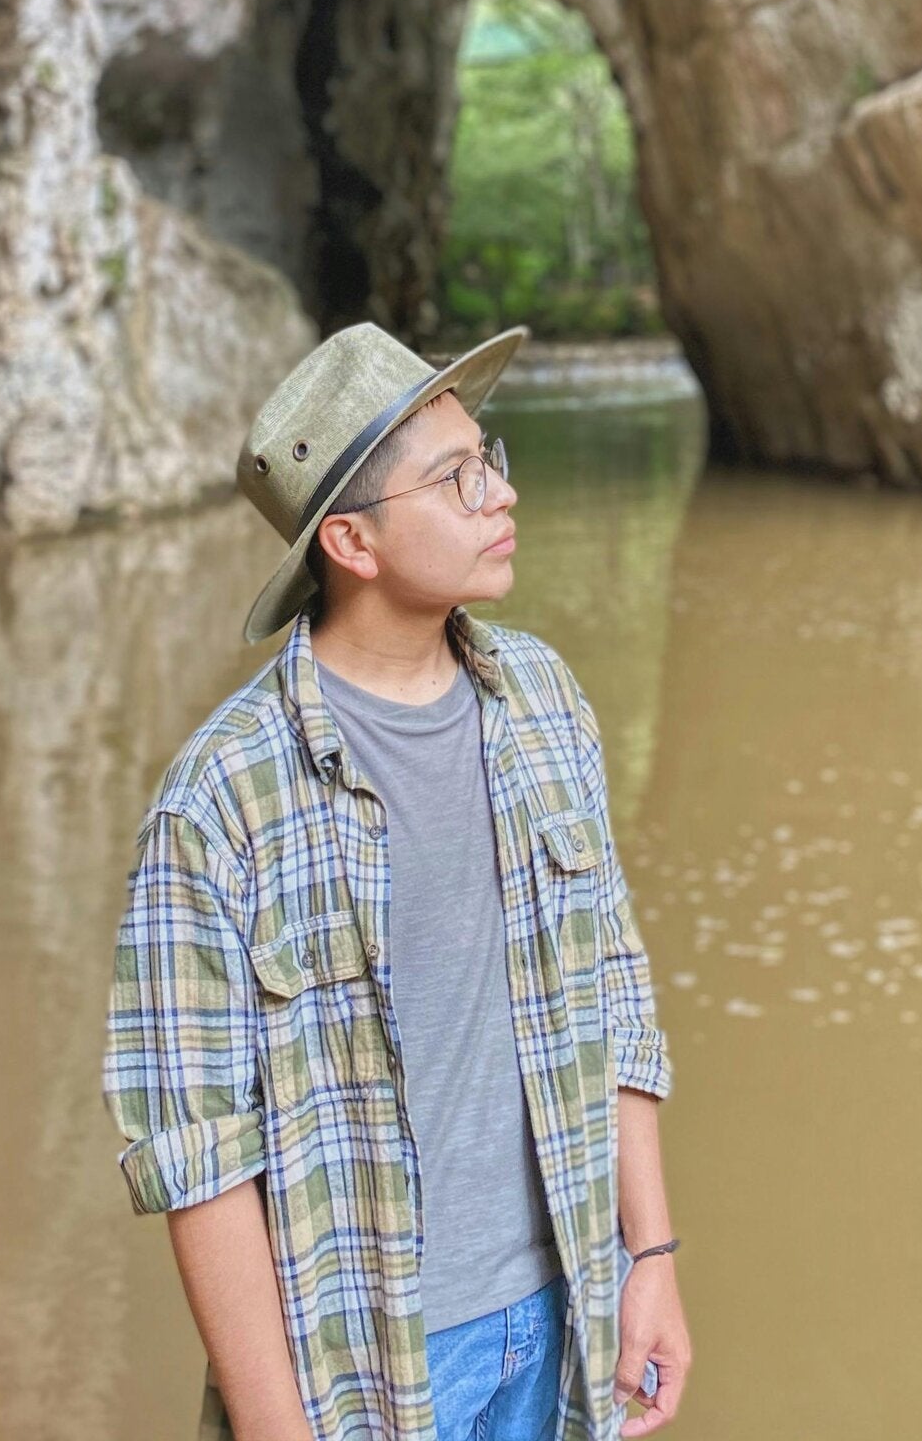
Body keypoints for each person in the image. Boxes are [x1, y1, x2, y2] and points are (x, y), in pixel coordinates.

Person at [103, 319, 692, 1441]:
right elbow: (199, 1157)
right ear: (352, 543)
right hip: (368, 1361)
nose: (501, 494)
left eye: (490, 460)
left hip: (567, 1304)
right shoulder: (219, 803)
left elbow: (611, 988)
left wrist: (649, 1256)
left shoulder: (544, 703)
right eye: (458, 478)